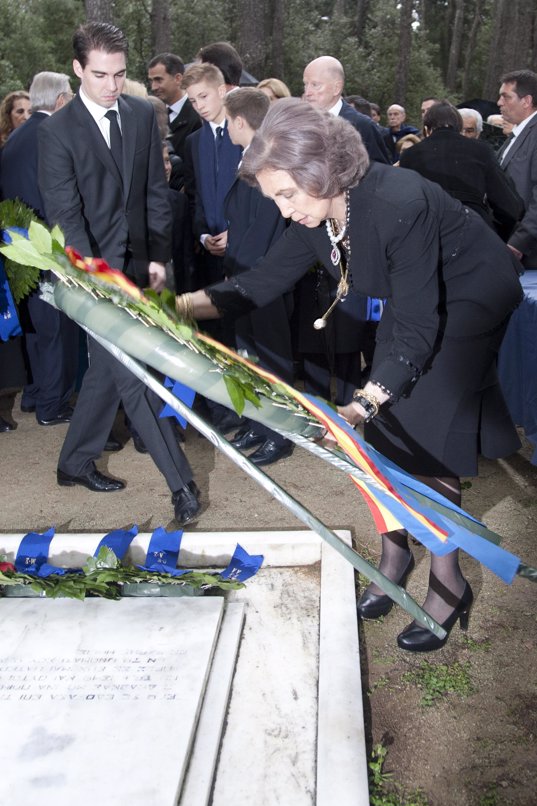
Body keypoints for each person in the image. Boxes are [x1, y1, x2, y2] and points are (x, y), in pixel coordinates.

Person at [178, 98, 523, 652]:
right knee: (379, 433)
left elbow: (414, 330)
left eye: (287, 194)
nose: (285, 211)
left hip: (470, 295)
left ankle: (448, 581)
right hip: (417, 303)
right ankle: (394, 554)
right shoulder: (318, 213)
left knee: (421, 432)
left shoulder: (397, 203)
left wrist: (364, 401)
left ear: (321, 171)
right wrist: (180, 306)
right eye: (276, 199)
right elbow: (261, 282)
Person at [37, 21, 200, 525]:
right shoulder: (55, 133)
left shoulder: (138, 114)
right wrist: (98, 285)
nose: (112, 86)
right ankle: (182, 485)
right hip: (90, 272)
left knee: (107, 370)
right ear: (78, 70)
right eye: (101, 75)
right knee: (131, 373)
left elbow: (154, 192)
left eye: (120, 74)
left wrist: (156, 256)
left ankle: (74, 461)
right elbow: (67, 218)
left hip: (139, 263)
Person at [1, 71, 80, 426]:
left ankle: (34, 395)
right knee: (55, 328)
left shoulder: (15, 138)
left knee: (35, 326)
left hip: (18, 247)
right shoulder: (51, 135)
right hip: (48, 244)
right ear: (61, 99)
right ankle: (53, 404)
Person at [223, 87, 294, 466]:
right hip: (244, 273)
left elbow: (267, 222)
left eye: (226, 120)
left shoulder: (267, 159)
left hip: (261, 276)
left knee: (272, 357)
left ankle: (279, 433)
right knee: (249, 354)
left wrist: (241, 270)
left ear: (239, 120)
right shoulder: (248, 156)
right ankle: (258, 422)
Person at [400, 101, 523, 240]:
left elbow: (404, 205)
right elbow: (508, 205)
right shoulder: (481, 151)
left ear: (427, 129)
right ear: (459, 127)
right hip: (473, 234)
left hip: (427, 237)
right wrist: (495, 232)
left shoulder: (410, 155)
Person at [497, 69, 537, 268]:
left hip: (529, 254)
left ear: (526, 101)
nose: (499, 103)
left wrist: (518, 243)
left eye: (506, 97)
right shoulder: (517, 135)